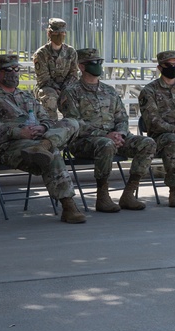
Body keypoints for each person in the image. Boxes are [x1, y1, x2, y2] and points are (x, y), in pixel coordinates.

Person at [0, 54, 86, 224]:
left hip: (38, 140)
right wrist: (20, 132)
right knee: (53, 153)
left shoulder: (26, 96)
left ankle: (43, 145)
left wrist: (44, 127)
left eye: (16, 69)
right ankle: (68, 206)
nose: (13, 73)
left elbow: (47, 118)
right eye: (8, 70)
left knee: (71, 122)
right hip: (10, 147)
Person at [59, 48, 156, 213]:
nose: (97, 65)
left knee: (147, 143)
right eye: (93, 63)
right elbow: (74, 123)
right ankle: (102, 196)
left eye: (99, 62)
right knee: (106, 144)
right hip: (84, 142)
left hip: (114, 138)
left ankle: (129, 193)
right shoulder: (72, 92)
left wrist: (120, 134)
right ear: (81, 67)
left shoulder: (109, 91)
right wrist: (106, 135)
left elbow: (122, 118)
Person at [138, 50, 175, 207]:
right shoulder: (149, 91)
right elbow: (152, 120)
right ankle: (174, 190)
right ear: (160, 68)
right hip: (161, 137)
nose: (173, 67)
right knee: (174, 142)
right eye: (169, 65)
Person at [33, 18, 79, 120]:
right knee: (50, 98)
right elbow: (43, 78)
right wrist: (57, 89)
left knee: (75, 99)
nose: (60, 36)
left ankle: (72, 125)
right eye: (56, 33)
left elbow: (74, 74)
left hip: (67, 87)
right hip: (47, 87)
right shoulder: (41, 53)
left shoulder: (70, 52)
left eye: (62, 33)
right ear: (49, 34)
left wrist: (65, 89)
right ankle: (51, 125)